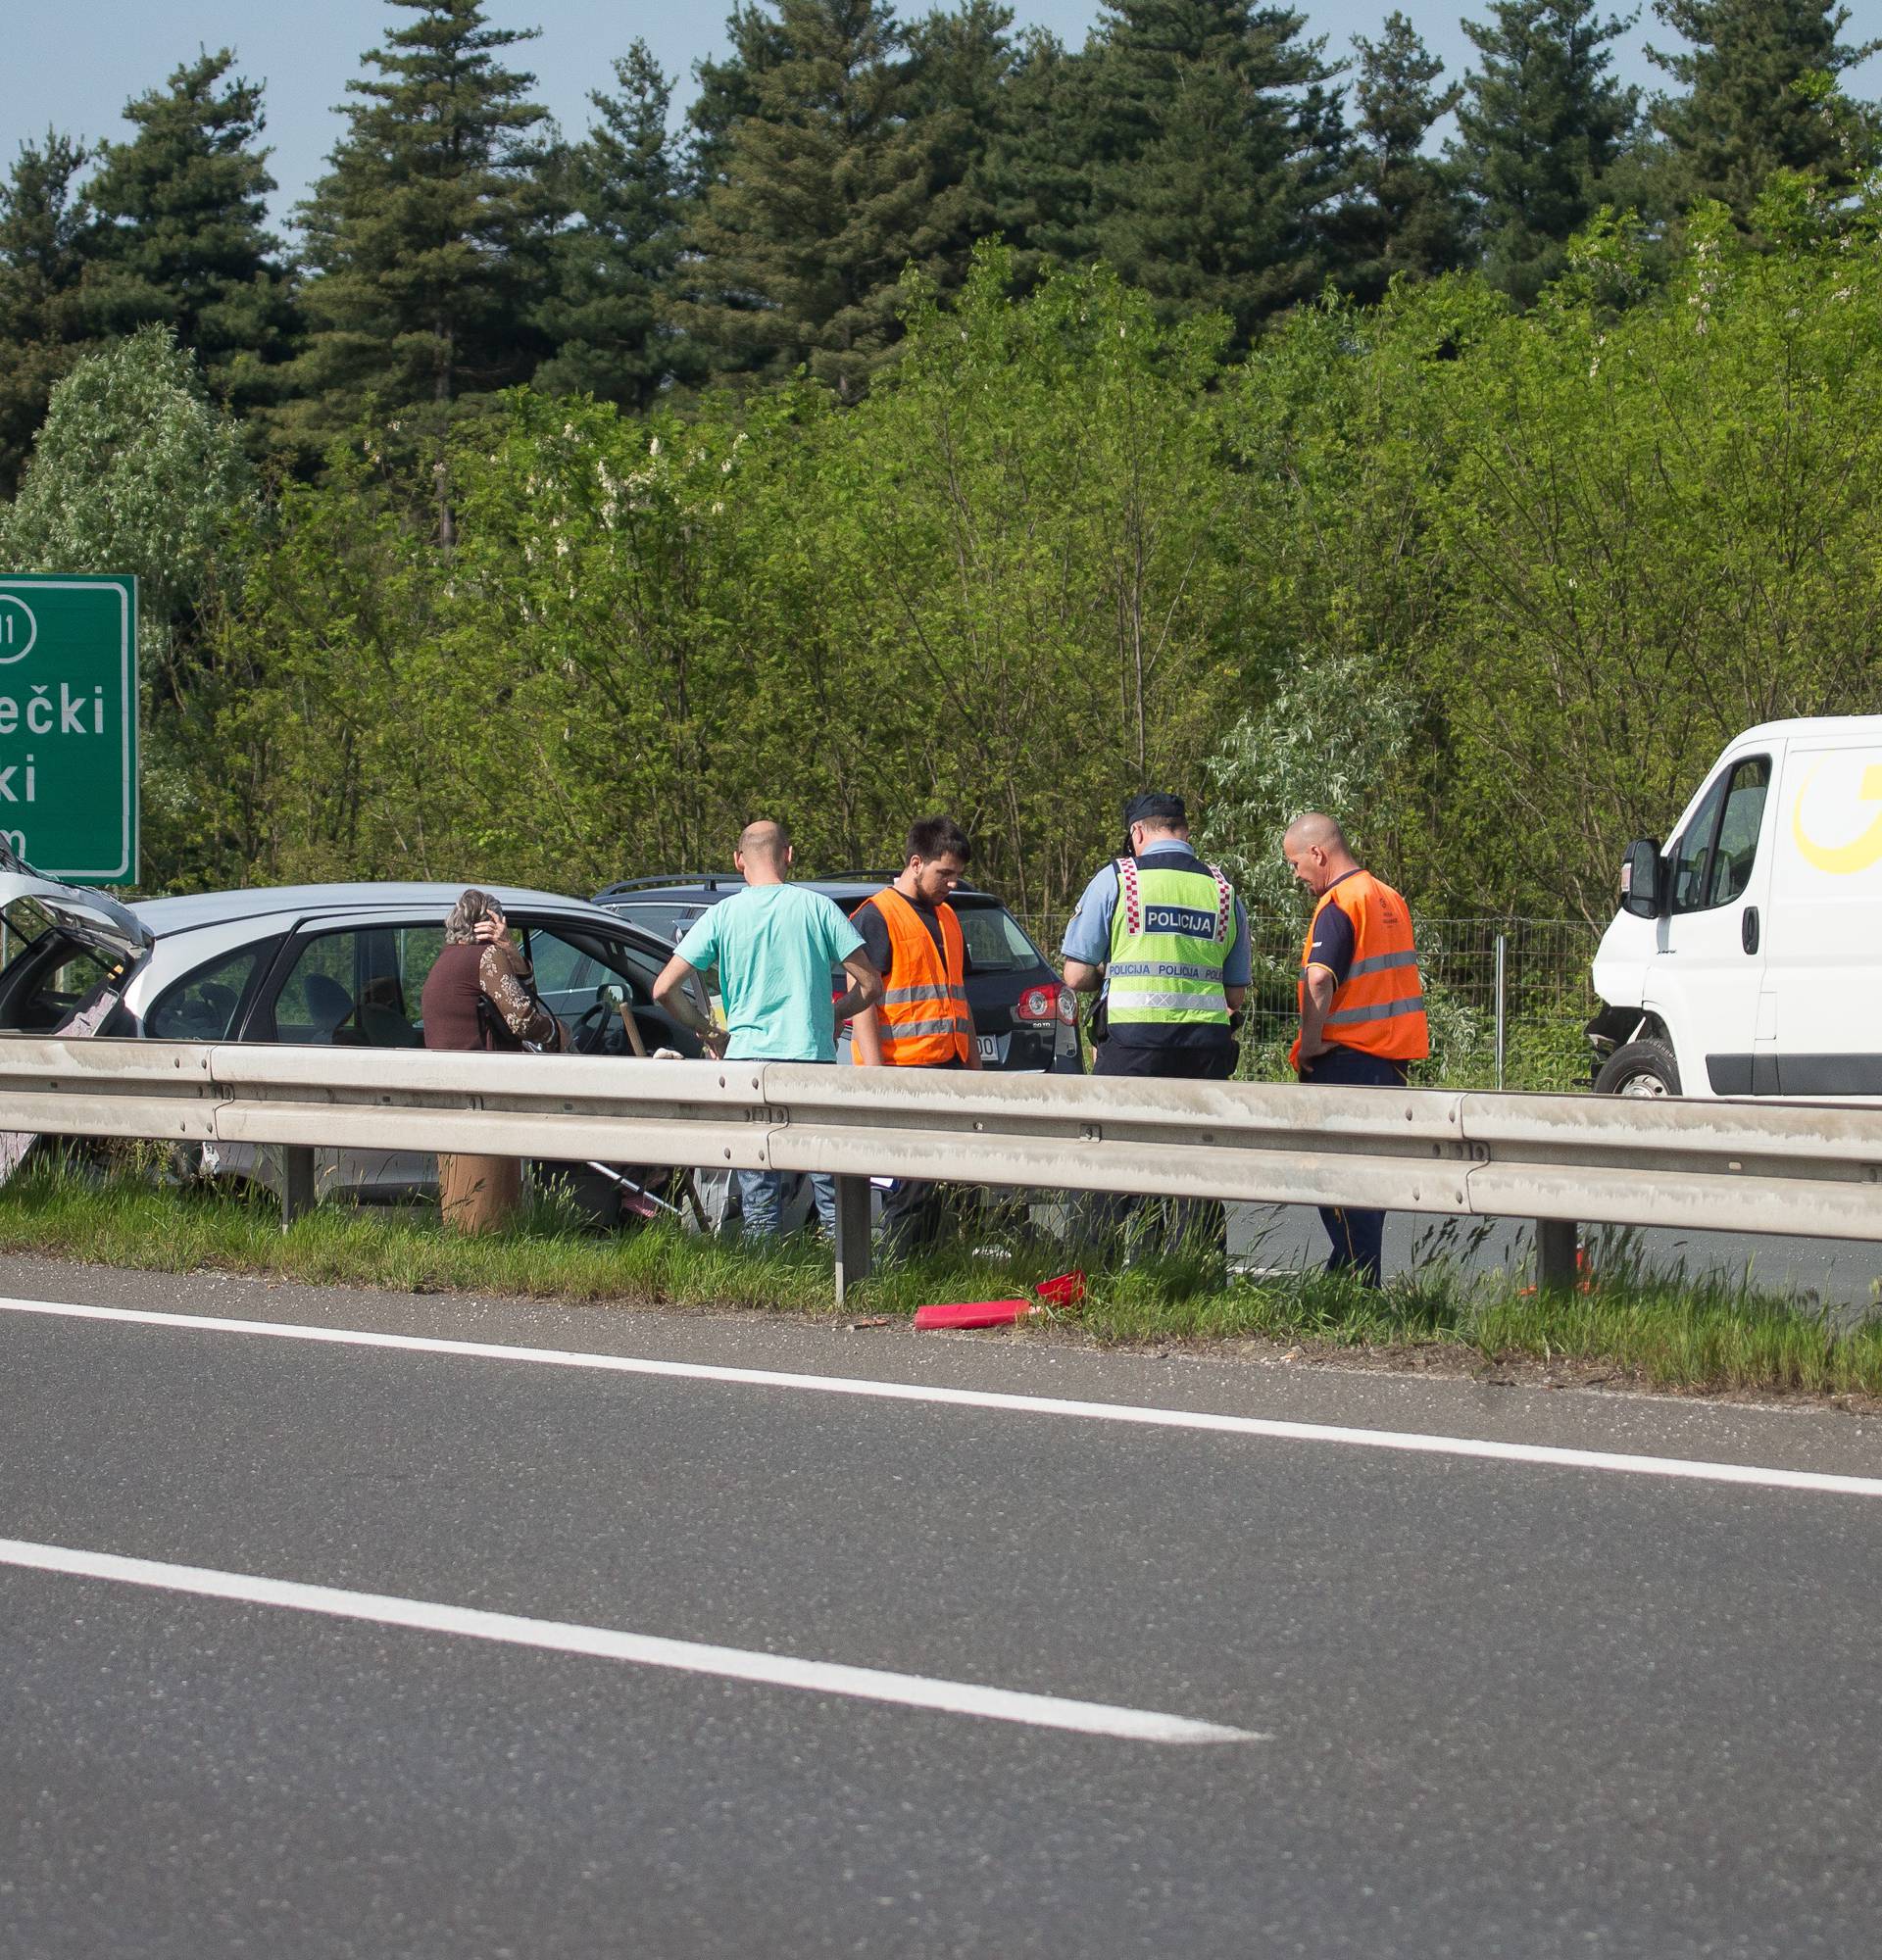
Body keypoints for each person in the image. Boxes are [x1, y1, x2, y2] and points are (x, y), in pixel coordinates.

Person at [653, 818, 883, 1239]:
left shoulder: (722, 915)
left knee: (759, 1197)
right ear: (789, 855)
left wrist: (708, 1031)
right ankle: (848, 1282)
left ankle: (766, 1283)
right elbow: (870, 985)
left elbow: (663, 988)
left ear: (738, 860)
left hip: (747, 1067)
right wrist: (833, 1015)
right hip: (810, 1062)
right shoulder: (818, 909)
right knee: (830, 1190)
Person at [1061, 791, 1250, 1257]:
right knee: (1196, 1169)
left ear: (1137, 833)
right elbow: (1235, 994)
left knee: (1111, 1162)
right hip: (1203, 1050)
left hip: (1131, 1047)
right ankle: (1194, 1274)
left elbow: (1076, 974)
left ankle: (1092, 1274)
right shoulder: (1223, 890)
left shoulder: (1118, 879)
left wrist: (1112, 969)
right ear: (1184, 831)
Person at [1283, 812, 1429, 1288]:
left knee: (1340, 1186)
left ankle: (1354, 1287)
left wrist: (1308, 1042)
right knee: (1367, 1188)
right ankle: (1349, 1284)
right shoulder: (1391, 898)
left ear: (1318, 854)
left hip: (1345, 1062)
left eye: (1295, 864)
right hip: (1391, 1065)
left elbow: (1319, 978)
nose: (1296, 876)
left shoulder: (1340, 903)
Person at [850, 815, 981, 1255]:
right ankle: (901, 1277)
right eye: (945, 873)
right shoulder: (877, 915)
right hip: (903, 1073)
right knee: (907, 1193)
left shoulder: (947, 917)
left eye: (957, 876)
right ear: (915, 863)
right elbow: (862, 1002)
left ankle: (928, 1273)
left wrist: (975, 1070)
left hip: (950, 1069)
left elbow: (957, 998)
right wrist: (877, 1076)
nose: (952, 884)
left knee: (942, 1190)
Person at [421, 889, 568, 1233]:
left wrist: (514, 957)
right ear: (493, 924)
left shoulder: (446, 960)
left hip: (452, 1093)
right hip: (486, 1094)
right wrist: (560, 1034)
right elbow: (525, 1021)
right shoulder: (485, 958)